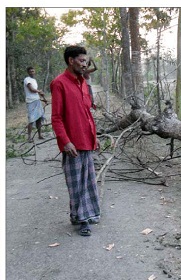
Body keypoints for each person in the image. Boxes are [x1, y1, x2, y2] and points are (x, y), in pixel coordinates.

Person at [50, 45, 100, 236]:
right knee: (76, 184)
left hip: (87, 139)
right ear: (71, 61)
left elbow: (87, 112)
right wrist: (65, 141)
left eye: (86, 61)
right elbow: (56, 117)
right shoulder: (59, 83)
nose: (84, 64)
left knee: (88, 181)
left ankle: (81, 215)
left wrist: (95, 137)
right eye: (81, 61)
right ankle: (82, 220)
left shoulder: (83, 82)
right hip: (72, 143)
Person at [24, 66, 47, 142]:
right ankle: (29, 137)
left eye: (33, 71)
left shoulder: (34, 80)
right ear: (28, 72)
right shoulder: (27, 79)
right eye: (30, 71)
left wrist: (44, 99)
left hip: (37, 100)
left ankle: (40, 135)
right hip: (30, 101)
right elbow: (31, 89)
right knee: (31, 119)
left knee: (39, 118)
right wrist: (39, 91)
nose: (32, 73)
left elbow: (36, 91)